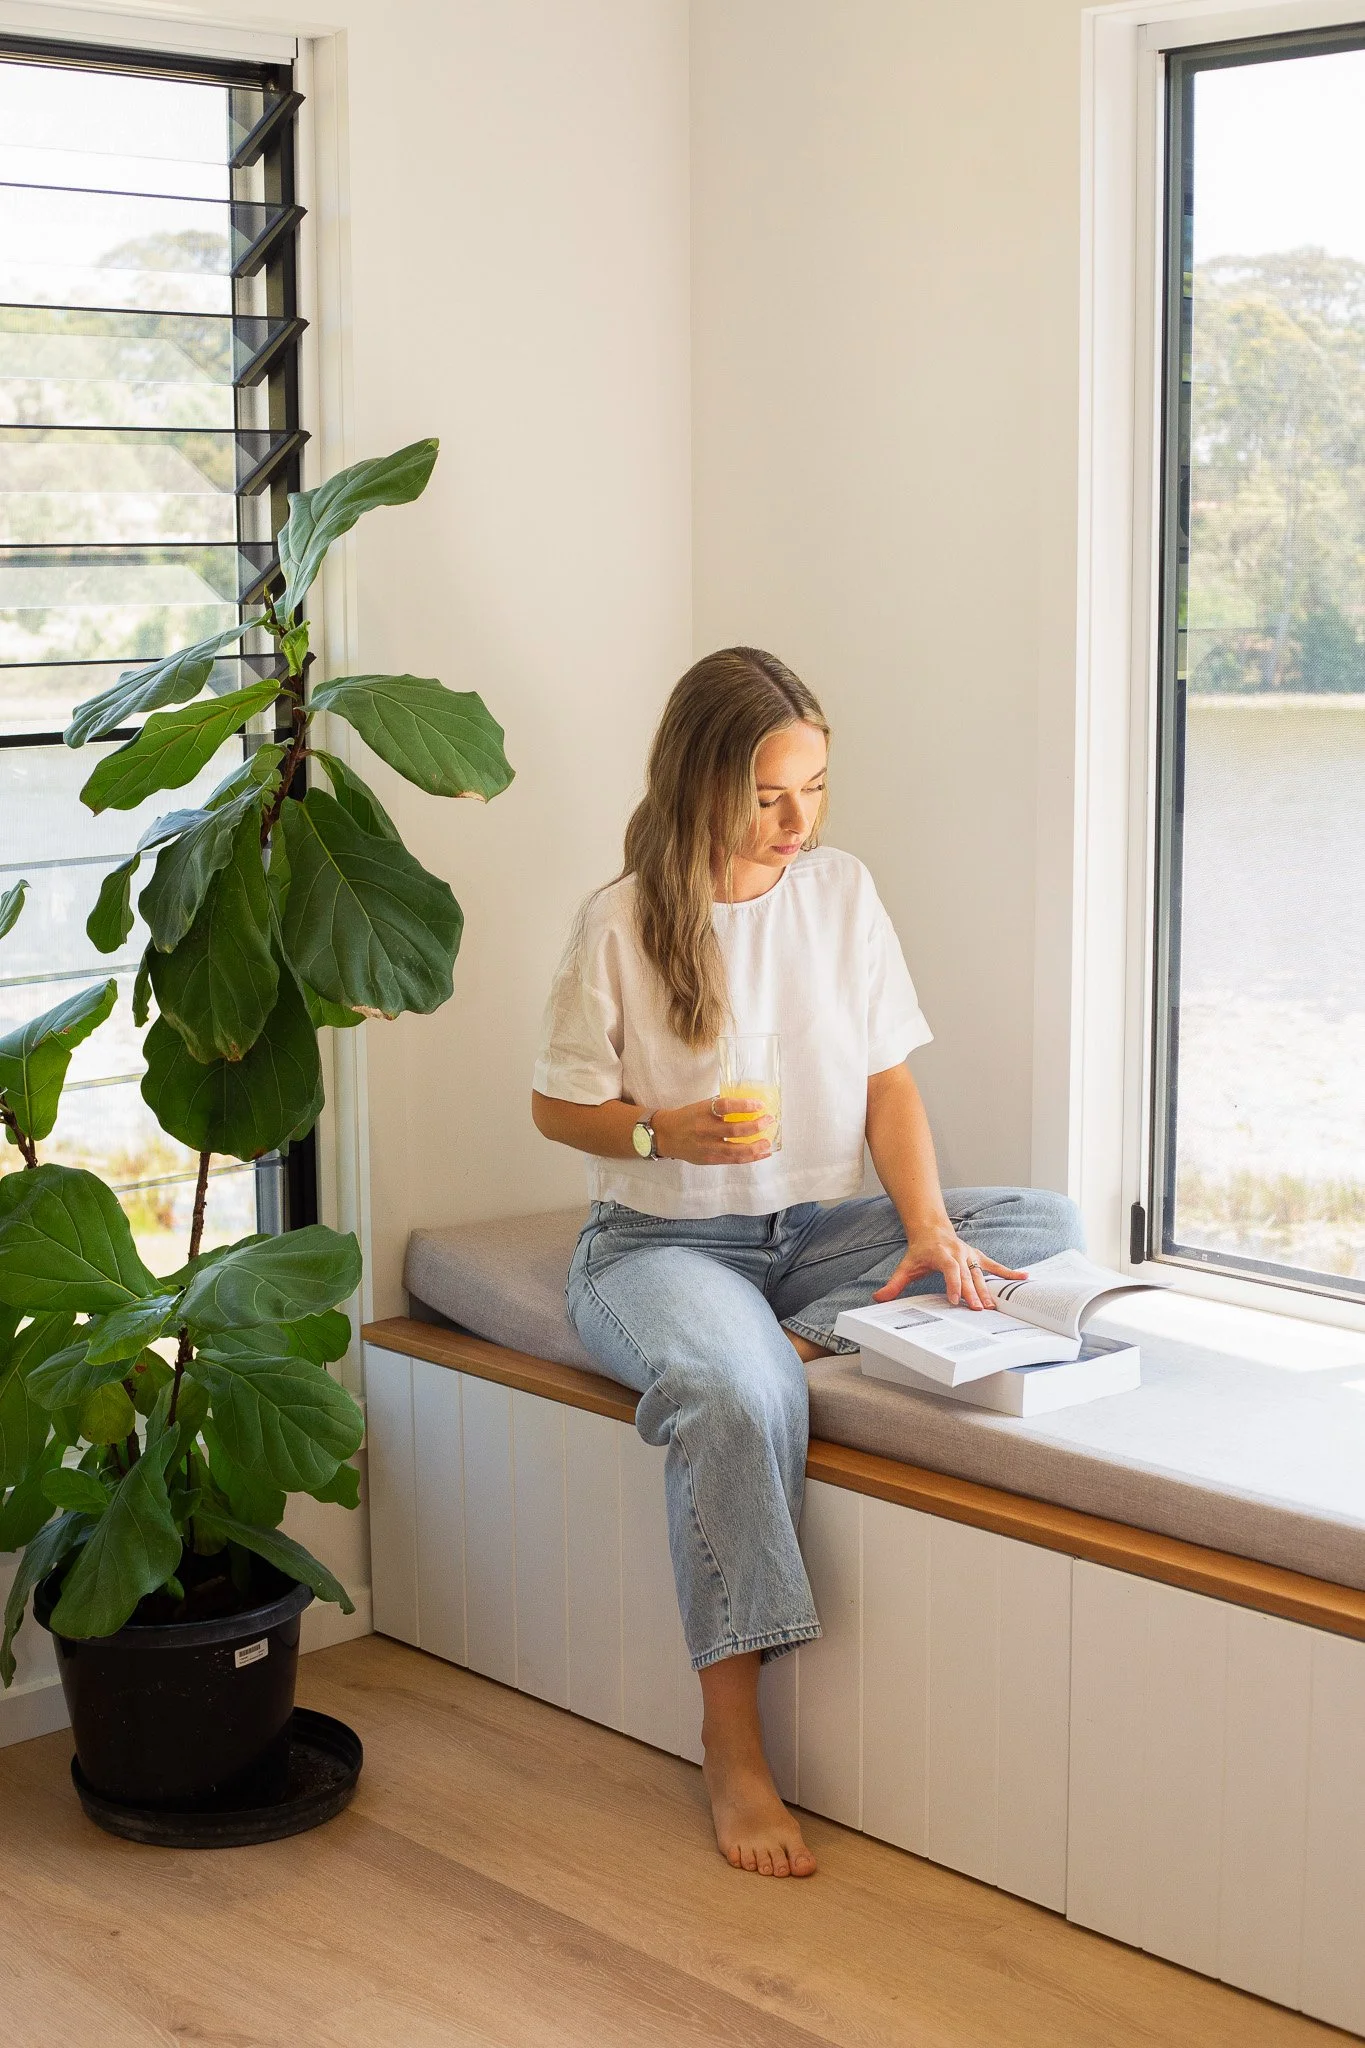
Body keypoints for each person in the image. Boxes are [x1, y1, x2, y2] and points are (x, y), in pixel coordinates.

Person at [531, 647, 1084, 1880]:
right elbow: (555, 1106)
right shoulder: (619, 922)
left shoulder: (841, 892)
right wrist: (654, 1129)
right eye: (769, 795)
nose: (798, 822)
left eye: (815, 789)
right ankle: (735, 1740)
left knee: (1041, 1220)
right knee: (739, 1397)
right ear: (698, 782)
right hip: (660, 1238)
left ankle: (816, 1324)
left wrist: (933, 1228)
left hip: (815, 1232)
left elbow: (890, 1084)